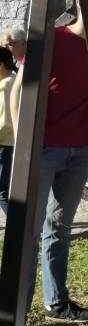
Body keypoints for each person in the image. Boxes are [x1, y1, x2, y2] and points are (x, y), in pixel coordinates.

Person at [10, 0, 88, 322]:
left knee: (59, 228)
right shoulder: (53, 39)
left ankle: (56, 304)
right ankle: (15, 313)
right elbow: (18, 89)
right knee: (28, 231)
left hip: (79, 151)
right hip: (43, 149)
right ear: (79, 4)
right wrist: (22, 143)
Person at [0, 47, 15, 215]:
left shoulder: (5, 86)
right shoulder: (14, 80)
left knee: (1, 192)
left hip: (3, 143)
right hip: (8, 143)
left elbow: (5, 122)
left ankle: (17, 226)